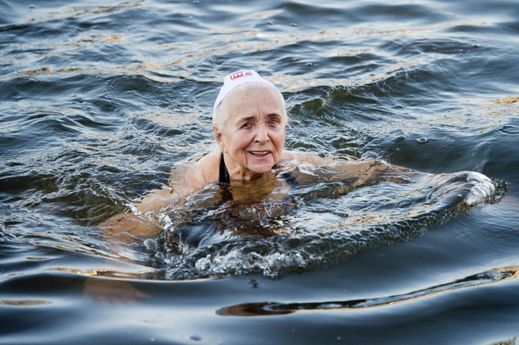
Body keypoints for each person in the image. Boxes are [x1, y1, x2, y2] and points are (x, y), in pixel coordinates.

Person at [100, 70, 399, 237]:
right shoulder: (194, 187)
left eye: (273, 122)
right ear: (220, 135)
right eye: (246, 124)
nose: (262, 136)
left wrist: (435, 183)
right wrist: (117, 277)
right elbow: (116, 229)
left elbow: (374, 169)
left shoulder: (297, 168)